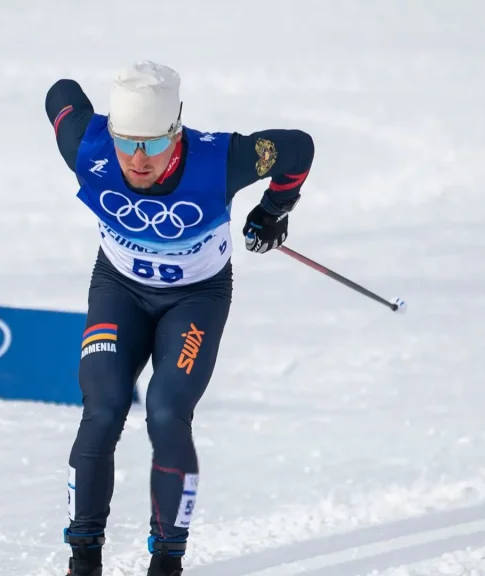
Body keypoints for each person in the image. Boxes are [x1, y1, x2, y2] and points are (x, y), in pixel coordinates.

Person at [46, 61, 315, 576]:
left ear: (176, 132)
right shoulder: (86, 145)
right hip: (119, 290)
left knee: (167, 411)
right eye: (126, 141)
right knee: (102, 409)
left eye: (152, 143)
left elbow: (297, 148)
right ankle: (83, 561)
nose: (138, 158)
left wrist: (274, 208)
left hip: (195, 299)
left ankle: (167, 562)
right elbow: (60, 93)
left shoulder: (222, 158)